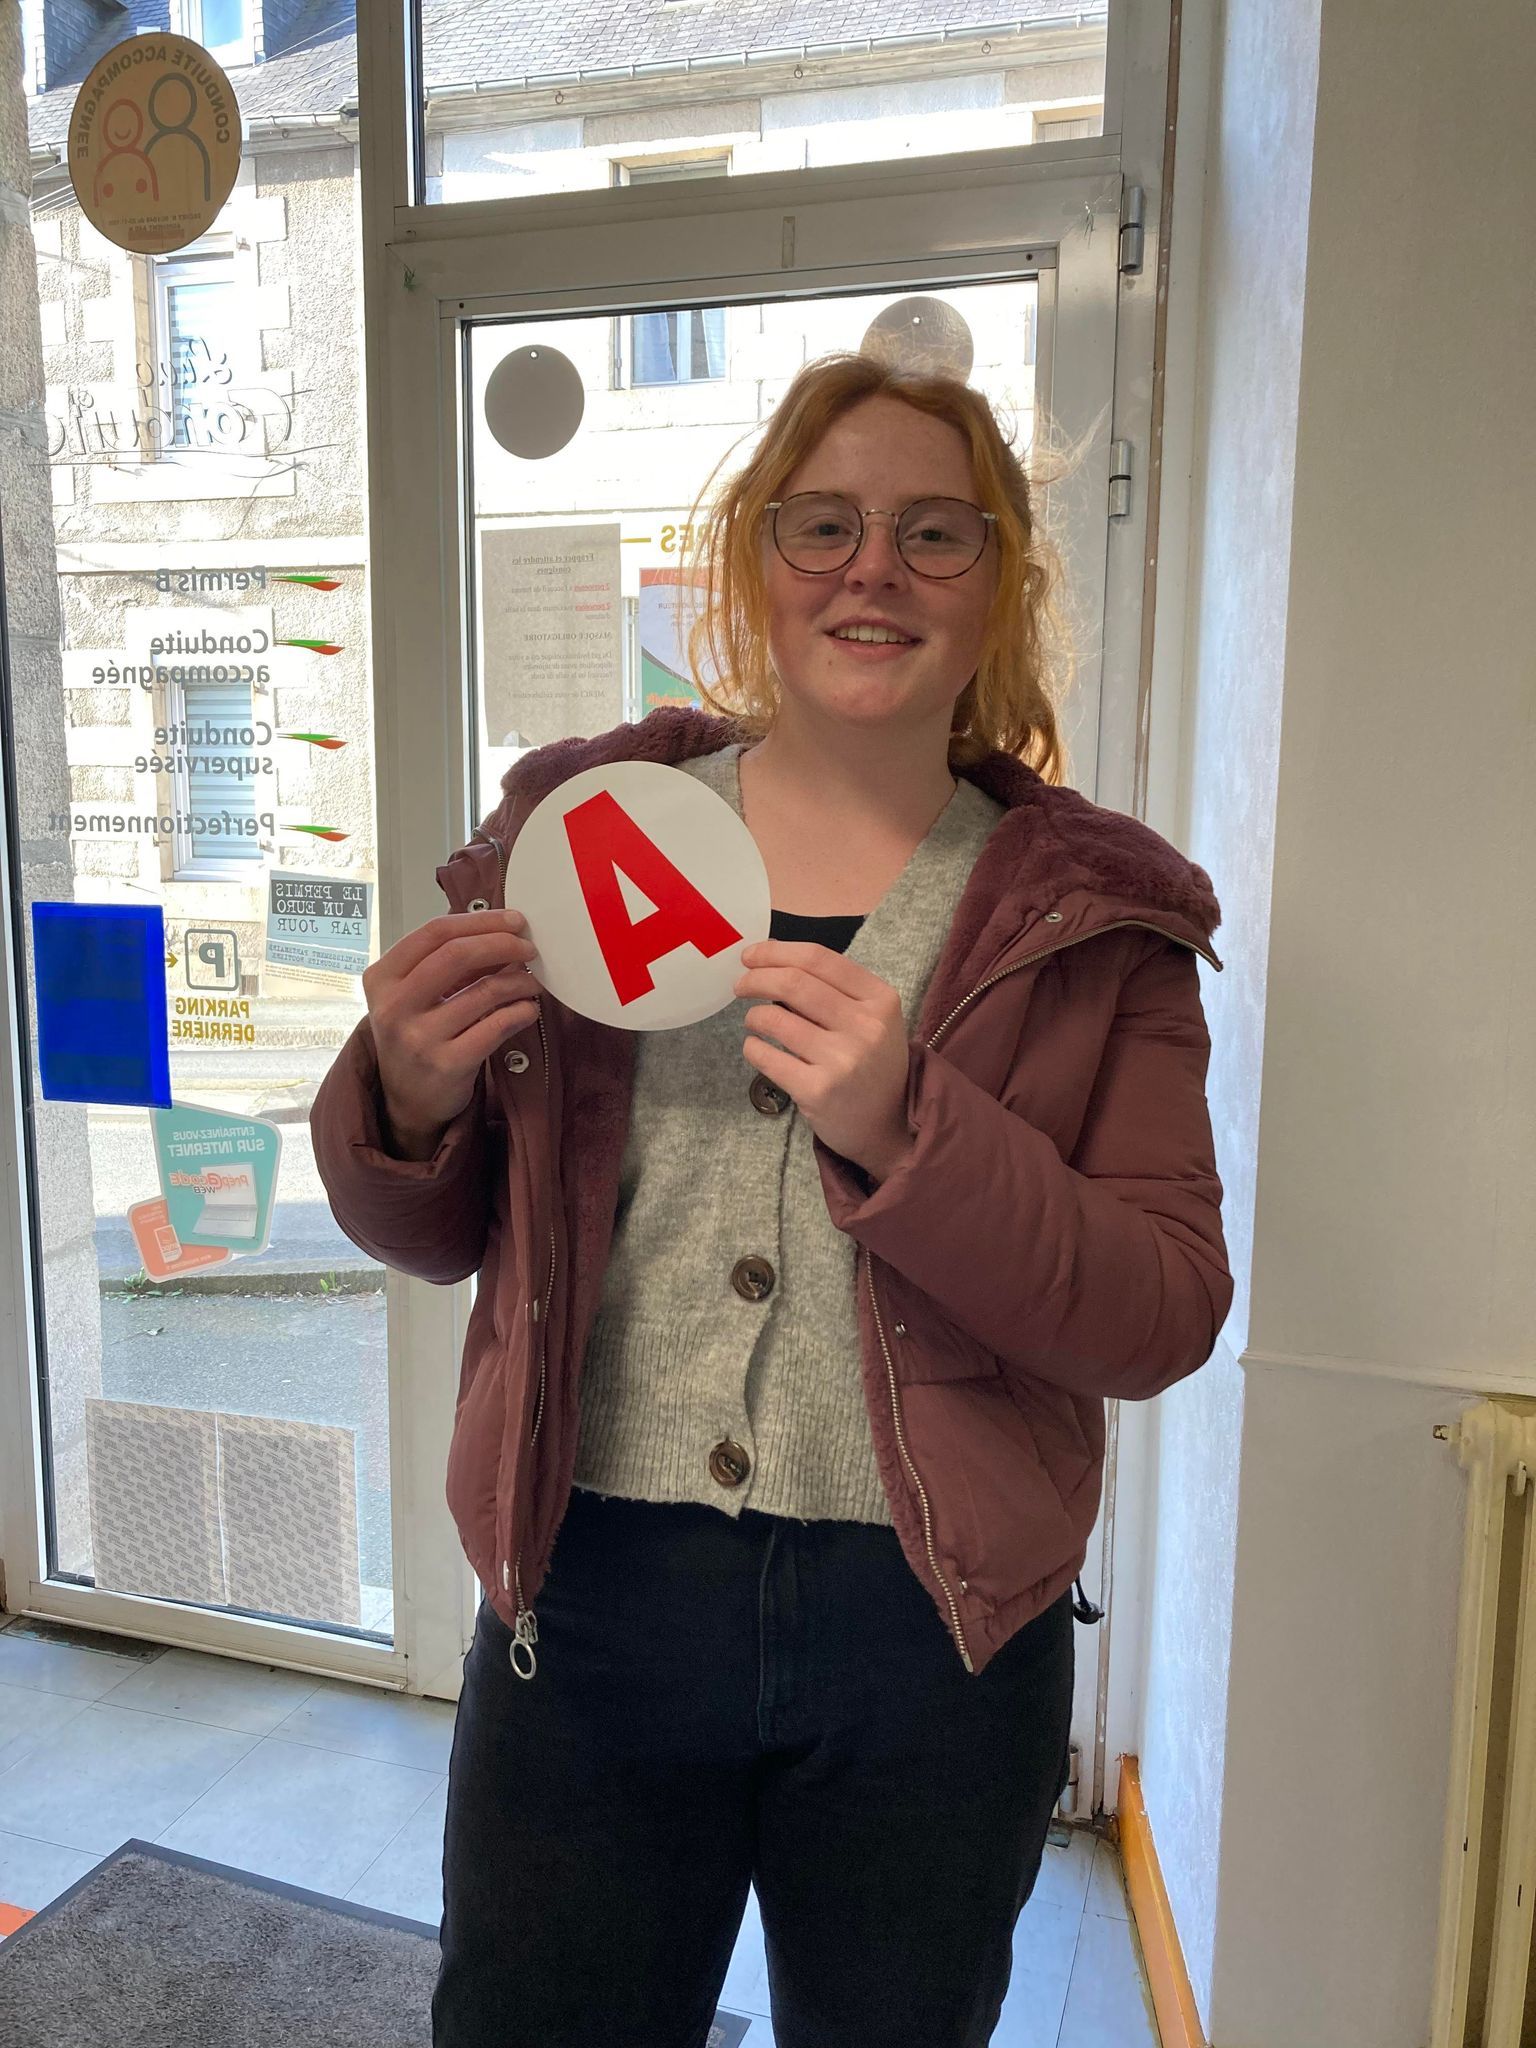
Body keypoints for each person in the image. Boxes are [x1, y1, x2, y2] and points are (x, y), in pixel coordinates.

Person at [310, 350, 1234, 2048]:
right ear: (756, 560)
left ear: (1000, 583)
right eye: (825, 525)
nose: (874, 568)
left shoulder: (1093, 923)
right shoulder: (585, 843)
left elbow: (1161, 1310)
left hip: (937, 1636)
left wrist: (911, 1128)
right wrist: (407, 1098)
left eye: (934, 532)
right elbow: (435, 1234)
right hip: (590, 1593)